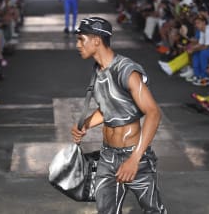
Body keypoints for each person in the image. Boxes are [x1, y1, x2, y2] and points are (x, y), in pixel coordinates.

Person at [71, 17, 167, 214]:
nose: (77, 45)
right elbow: (109, 107)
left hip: (135, 156)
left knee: (153, 210)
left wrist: (134, 159)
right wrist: (86, 125)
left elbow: (154, 113)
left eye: (81, 39)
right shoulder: (98, 70)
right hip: (107, 155)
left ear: (96, 40)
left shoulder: (127, 70)